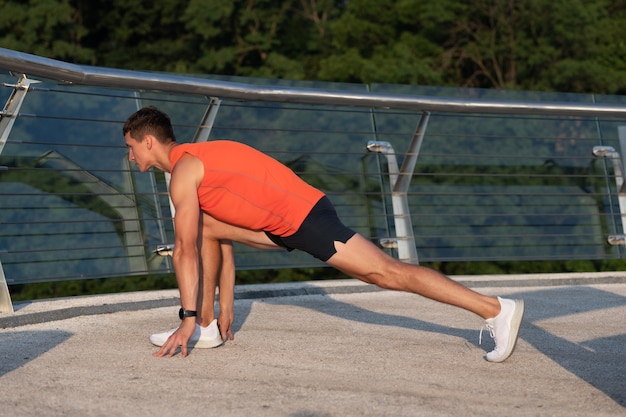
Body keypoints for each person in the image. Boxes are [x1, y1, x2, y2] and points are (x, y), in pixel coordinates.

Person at [123, 106, 525, 362]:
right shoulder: (198, 158)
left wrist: (186, 318)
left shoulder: (183, 173)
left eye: (131, 148)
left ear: (149, 141)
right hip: (284, 224)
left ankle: (494, 309)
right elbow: (212, 240)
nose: (130, 156)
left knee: (386, 273)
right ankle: (210, 327)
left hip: (303, 219)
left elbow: (183, 255)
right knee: (205, 228)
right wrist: (220, 307)